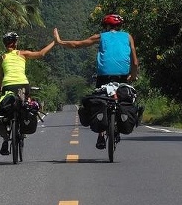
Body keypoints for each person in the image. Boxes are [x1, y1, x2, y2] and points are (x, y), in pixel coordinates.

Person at [54, 14, 139, 149]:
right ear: (120, 26)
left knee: (101, 101)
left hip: (103, 76)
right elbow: (135, 61)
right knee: (125, 99)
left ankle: (100, 135)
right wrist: (133, 75)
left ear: (106, 26)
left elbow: (77, 44)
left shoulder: (101, 36)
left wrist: (59, 41)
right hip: (122, 76)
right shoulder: (128, 37)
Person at [0, 31, 55, 155]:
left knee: (4, 114)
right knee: (26, 106)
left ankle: (5, 140)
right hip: (23, 86)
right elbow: (41, 53)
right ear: (15, 43)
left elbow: (0, 77)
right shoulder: (22, 53)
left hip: (7, 88)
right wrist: (55, 41)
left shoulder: (3, 58)